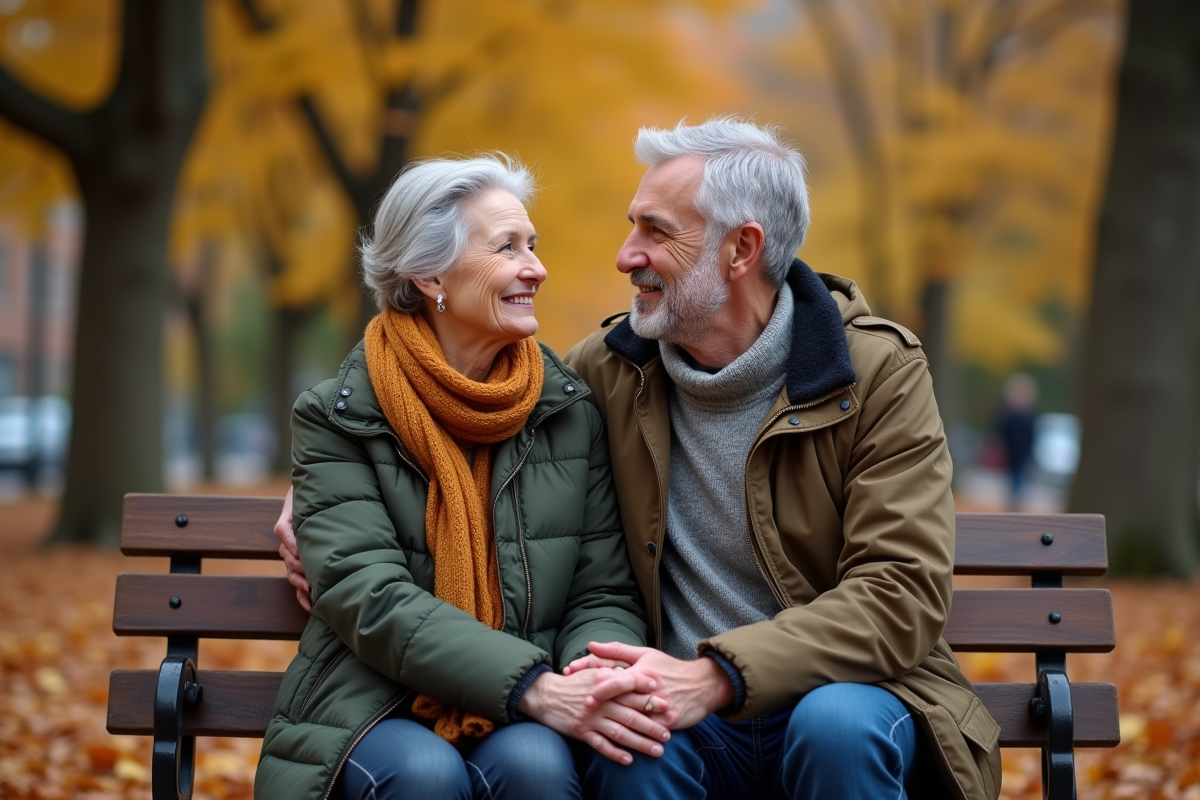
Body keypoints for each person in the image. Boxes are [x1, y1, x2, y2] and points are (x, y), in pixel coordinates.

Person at [277, 119, 1003, 800]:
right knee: (633, 748)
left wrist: (716, 675)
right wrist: (304, 502)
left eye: (654, 232)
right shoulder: (607, 372)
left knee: (835, 725)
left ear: (740, 249)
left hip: (845, 696)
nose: (624, 256)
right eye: (632, 226)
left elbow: (900, 590)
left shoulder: (874, 372)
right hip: (671, 708)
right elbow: (450, 417)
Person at [255, 155, 672, 800]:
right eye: (507, 248)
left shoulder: (564, 409)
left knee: (536, 766)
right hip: (373, 697)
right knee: (425, 775)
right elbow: (369, 596)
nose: (536, 268)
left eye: (533, 246)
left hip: (530, 699)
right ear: (428, 274)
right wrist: (534, 687)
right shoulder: (340, 414)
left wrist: (595, 679)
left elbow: (602, 589)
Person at [995, 372, 1039, 509]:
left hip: (1022, 453)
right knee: (1014, 479)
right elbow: (1001, 432)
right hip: (1011, 453)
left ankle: (1016, 502)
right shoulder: (1009, 414)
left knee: (1019, 478)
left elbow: (1032, 435)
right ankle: (1014, 502)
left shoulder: (1029, 415)